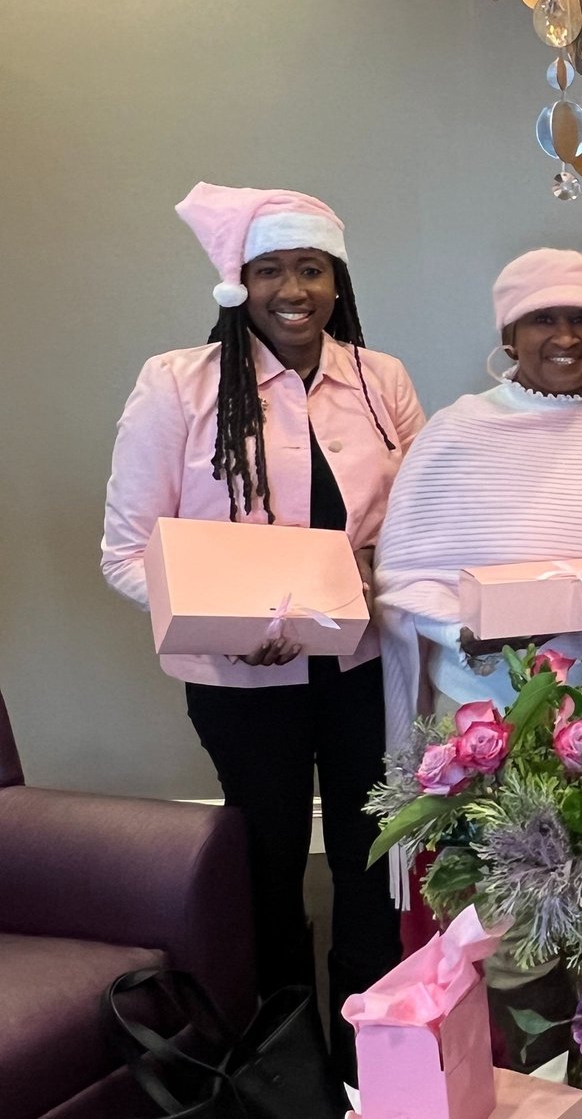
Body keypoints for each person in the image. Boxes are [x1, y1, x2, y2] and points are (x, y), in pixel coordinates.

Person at [102, 183, 423, 1084]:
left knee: (371, 874)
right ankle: (291, 1084)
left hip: (365, 672)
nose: (295, 288)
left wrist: (383, 576)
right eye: (273, 269)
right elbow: (124, 552)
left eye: (312, 268)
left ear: (337, 279)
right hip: (245, 690)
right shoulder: (180, 385)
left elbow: (431, 522)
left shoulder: (379, 380)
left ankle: (375, 1078)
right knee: (270, 880)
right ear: (239, 282)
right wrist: (225, 628)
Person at [374, 247, 582, 749]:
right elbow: (402, 578)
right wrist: (462, 635)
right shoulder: (457, 430)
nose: (566, 336)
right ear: (509, 338)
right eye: (542, 319)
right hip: (479, 713)